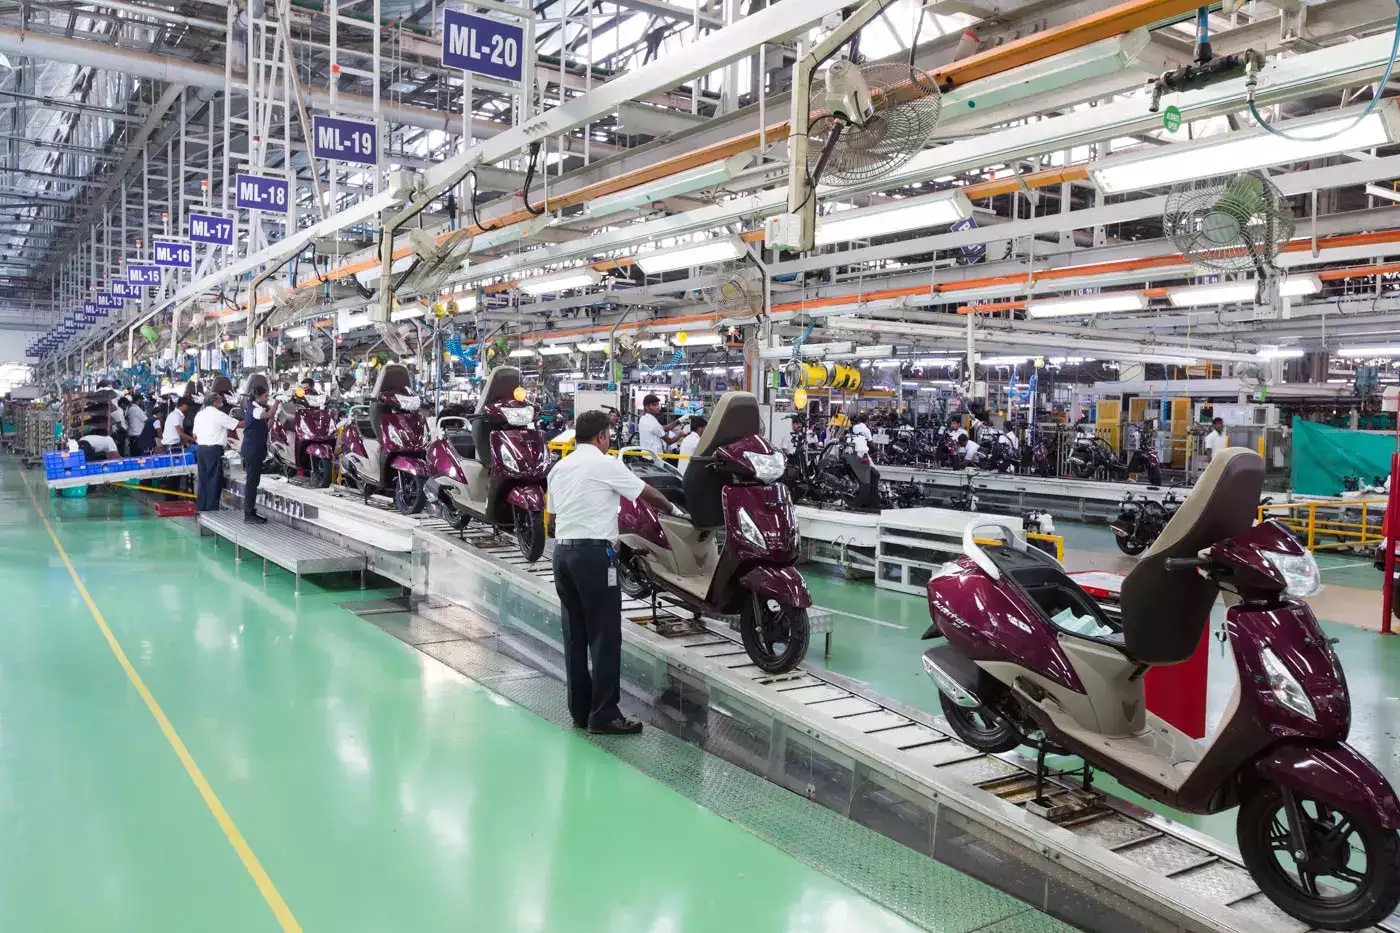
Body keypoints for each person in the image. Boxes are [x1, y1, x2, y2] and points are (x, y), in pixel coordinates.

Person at [547, 409, 683, 735]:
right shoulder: (606, 464)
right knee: (605, 635)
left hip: (562, 555)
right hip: (594, 557)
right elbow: (646, 493)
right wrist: (677, 511)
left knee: (575, 635)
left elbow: (551, 522)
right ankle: (605, 713)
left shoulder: (559, 468)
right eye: (609, 436)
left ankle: (580, 711)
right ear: (602, 437)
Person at [192, 393, 240, 512]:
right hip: (212, 450)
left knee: (203, 479)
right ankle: (211, 509)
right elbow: (237, 424)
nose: (222, 401)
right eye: (220, 399)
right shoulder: (218, 414)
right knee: (214, 479)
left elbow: (194, 434)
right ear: (214, 402)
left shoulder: (200, 414)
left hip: (201, 449)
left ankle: (201, 506)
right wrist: (253, 420)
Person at [240, 383, 271, 524]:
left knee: (253, 481)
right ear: (258, 398)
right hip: (252, 450)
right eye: (265, 396)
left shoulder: (255, 410)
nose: (267, 399)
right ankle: (248, 513)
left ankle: (250, 510)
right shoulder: (255, 410)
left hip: (255, 450)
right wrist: (277, 403)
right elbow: (268, 414)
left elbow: (265, 428)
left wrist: (274, 419)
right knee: (252, 482)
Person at [636, 393, 677, 458]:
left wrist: (679, 421)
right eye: (654, 405)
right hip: (654, 459)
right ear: (647, 407)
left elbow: (664, 428)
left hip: (646, 457)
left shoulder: (643, 419)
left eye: (658, 404)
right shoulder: (653, 423)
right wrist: (682, 433)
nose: (658, 407)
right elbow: (669, 441)